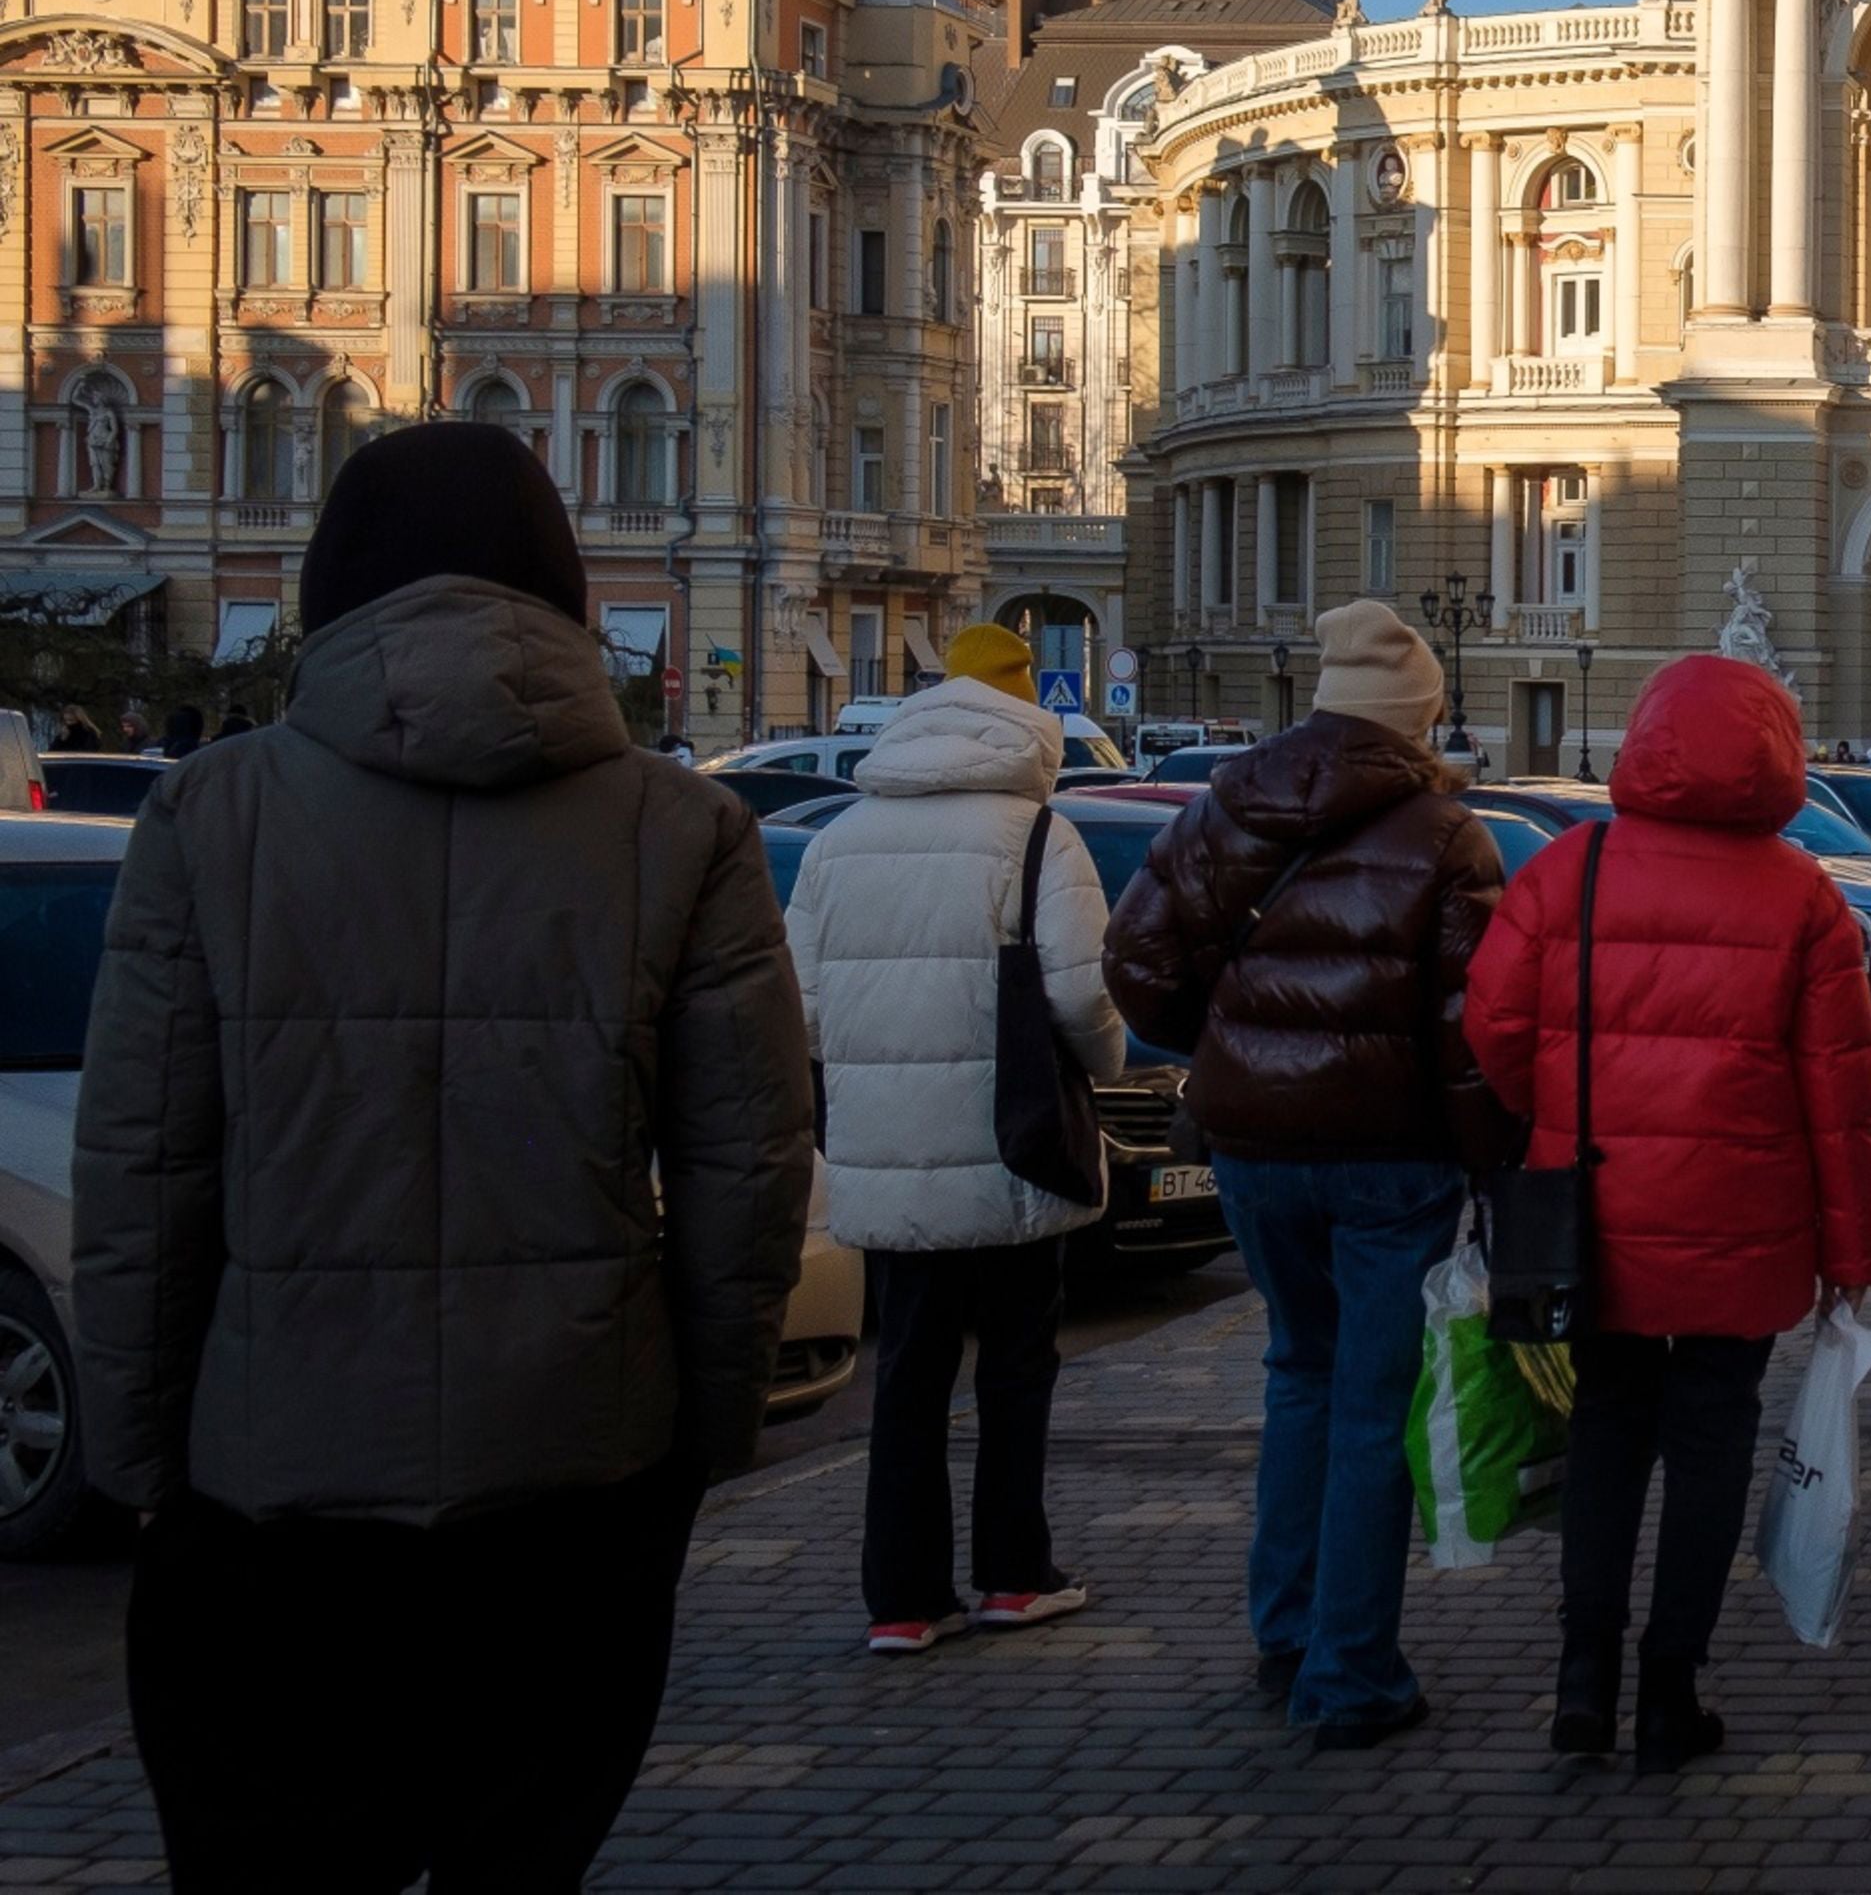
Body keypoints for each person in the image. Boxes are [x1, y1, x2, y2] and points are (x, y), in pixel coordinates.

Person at [71, 420, 810, 1893]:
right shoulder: (688, 825)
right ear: (567, 591)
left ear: (330, 587)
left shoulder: (208, 814)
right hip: (574, 1479)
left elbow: (144, 1170)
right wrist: (706, 1434)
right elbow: (747, 1172)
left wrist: (142, 1455)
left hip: (268, 1494)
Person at [1467, 654, 1871, 1774]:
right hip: (1741, 1228)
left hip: (1589, 1215)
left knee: (1605, 1436)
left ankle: (1578, 1685)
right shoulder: (1802, 892)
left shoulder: (1569, 868)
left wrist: (1551, 1111)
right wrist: (1851, 1253)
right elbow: (1839, 1096)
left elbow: (1493, 1032)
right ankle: (1668, 1694)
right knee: (1709, 1451)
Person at [1104, 601, 1509, 1752]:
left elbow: (1136, 964)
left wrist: (1233, 1047)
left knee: (1299, 1379)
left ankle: (1285, 1636)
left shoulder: (1224, 801)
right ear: (1417, 718)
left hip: (1255, 1150)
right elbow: (1466, 1027)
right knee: (1376, 1408)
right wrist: (1489, 1160)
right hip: (1391, 1158)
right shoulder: (1446, 832)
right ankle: (1351, 1674)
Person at [788, 619, 1123, 1657]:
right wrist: (1104, 1069)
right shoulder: (1036, 836)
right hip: (1013, 1140)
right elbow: (1080, 998)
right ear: (1032, 720)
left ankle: (900, 1599)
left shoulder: (837, 842)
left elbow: (796, 1007)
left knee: (909, 1380)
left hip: (886, 1157)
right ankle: (1013, 1577)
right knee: (1017, 1368)